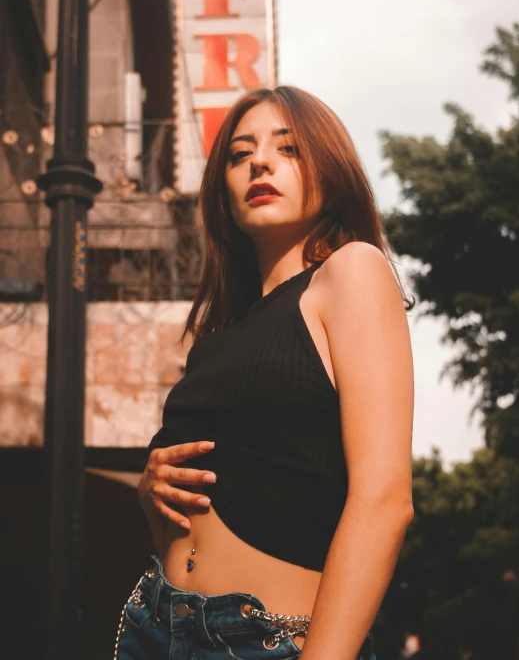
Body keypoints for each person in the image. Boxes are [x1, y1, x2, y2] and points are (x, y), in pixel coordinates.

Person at [114, 85, 415, 660]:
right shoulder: (216, 337)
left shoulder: (351, 272)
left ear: (331, 171)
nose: (259, 162)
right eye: (239, 153)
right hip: (158, 625)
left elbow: (384, 500)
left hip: (273, 642)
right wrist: (152, 494)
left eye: (289, 148)